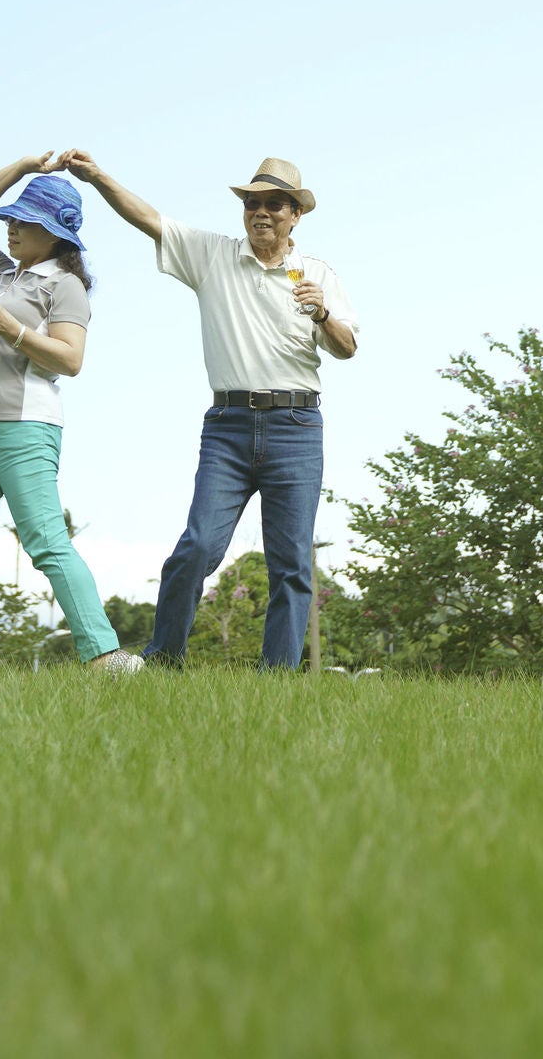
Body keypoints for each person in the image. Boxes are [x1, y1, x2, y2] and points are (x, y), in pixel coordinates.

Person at [62, 150, 359, 670]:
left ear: (296, 215)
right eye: (252, 203)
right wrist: (98, 177)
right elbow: (147, 218)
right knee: (196, 546)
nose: (260, 212)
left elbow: (347, 348)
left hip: (296, 427)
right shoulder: (213, 256)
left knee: (290, 565)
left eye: (273, 204)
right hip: (228, 427)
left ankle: (278, 682)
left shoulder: (317, 273)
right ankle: (164, 661)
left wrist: (324, 311)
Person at [0, 153, 143, 674]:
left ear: (55, 234)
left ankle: (106, 656)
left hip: (24, 431)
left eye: (27, 222)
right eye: (15, 219)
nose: (14, 228)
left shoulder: (64, 285)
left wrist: (11, 328)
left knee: (46, 545)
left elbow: (71, 360)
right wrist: (24, 167)